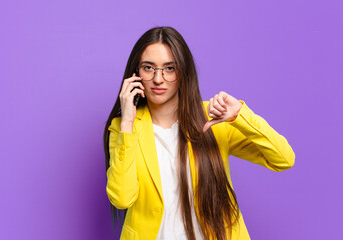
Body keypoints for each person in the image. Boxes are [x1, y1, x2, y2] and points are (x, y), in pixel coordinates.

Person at [103, 26, 295, 240]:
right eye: (149, 68)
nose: (158, 79)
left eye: (169, 68)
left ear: (183, 72)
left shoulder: (214, 119)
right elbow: (121, 198)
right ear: (136, 73)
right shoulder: (123, 127)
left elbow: (283, 159)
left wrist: (240, 115)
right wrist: (128, 123)